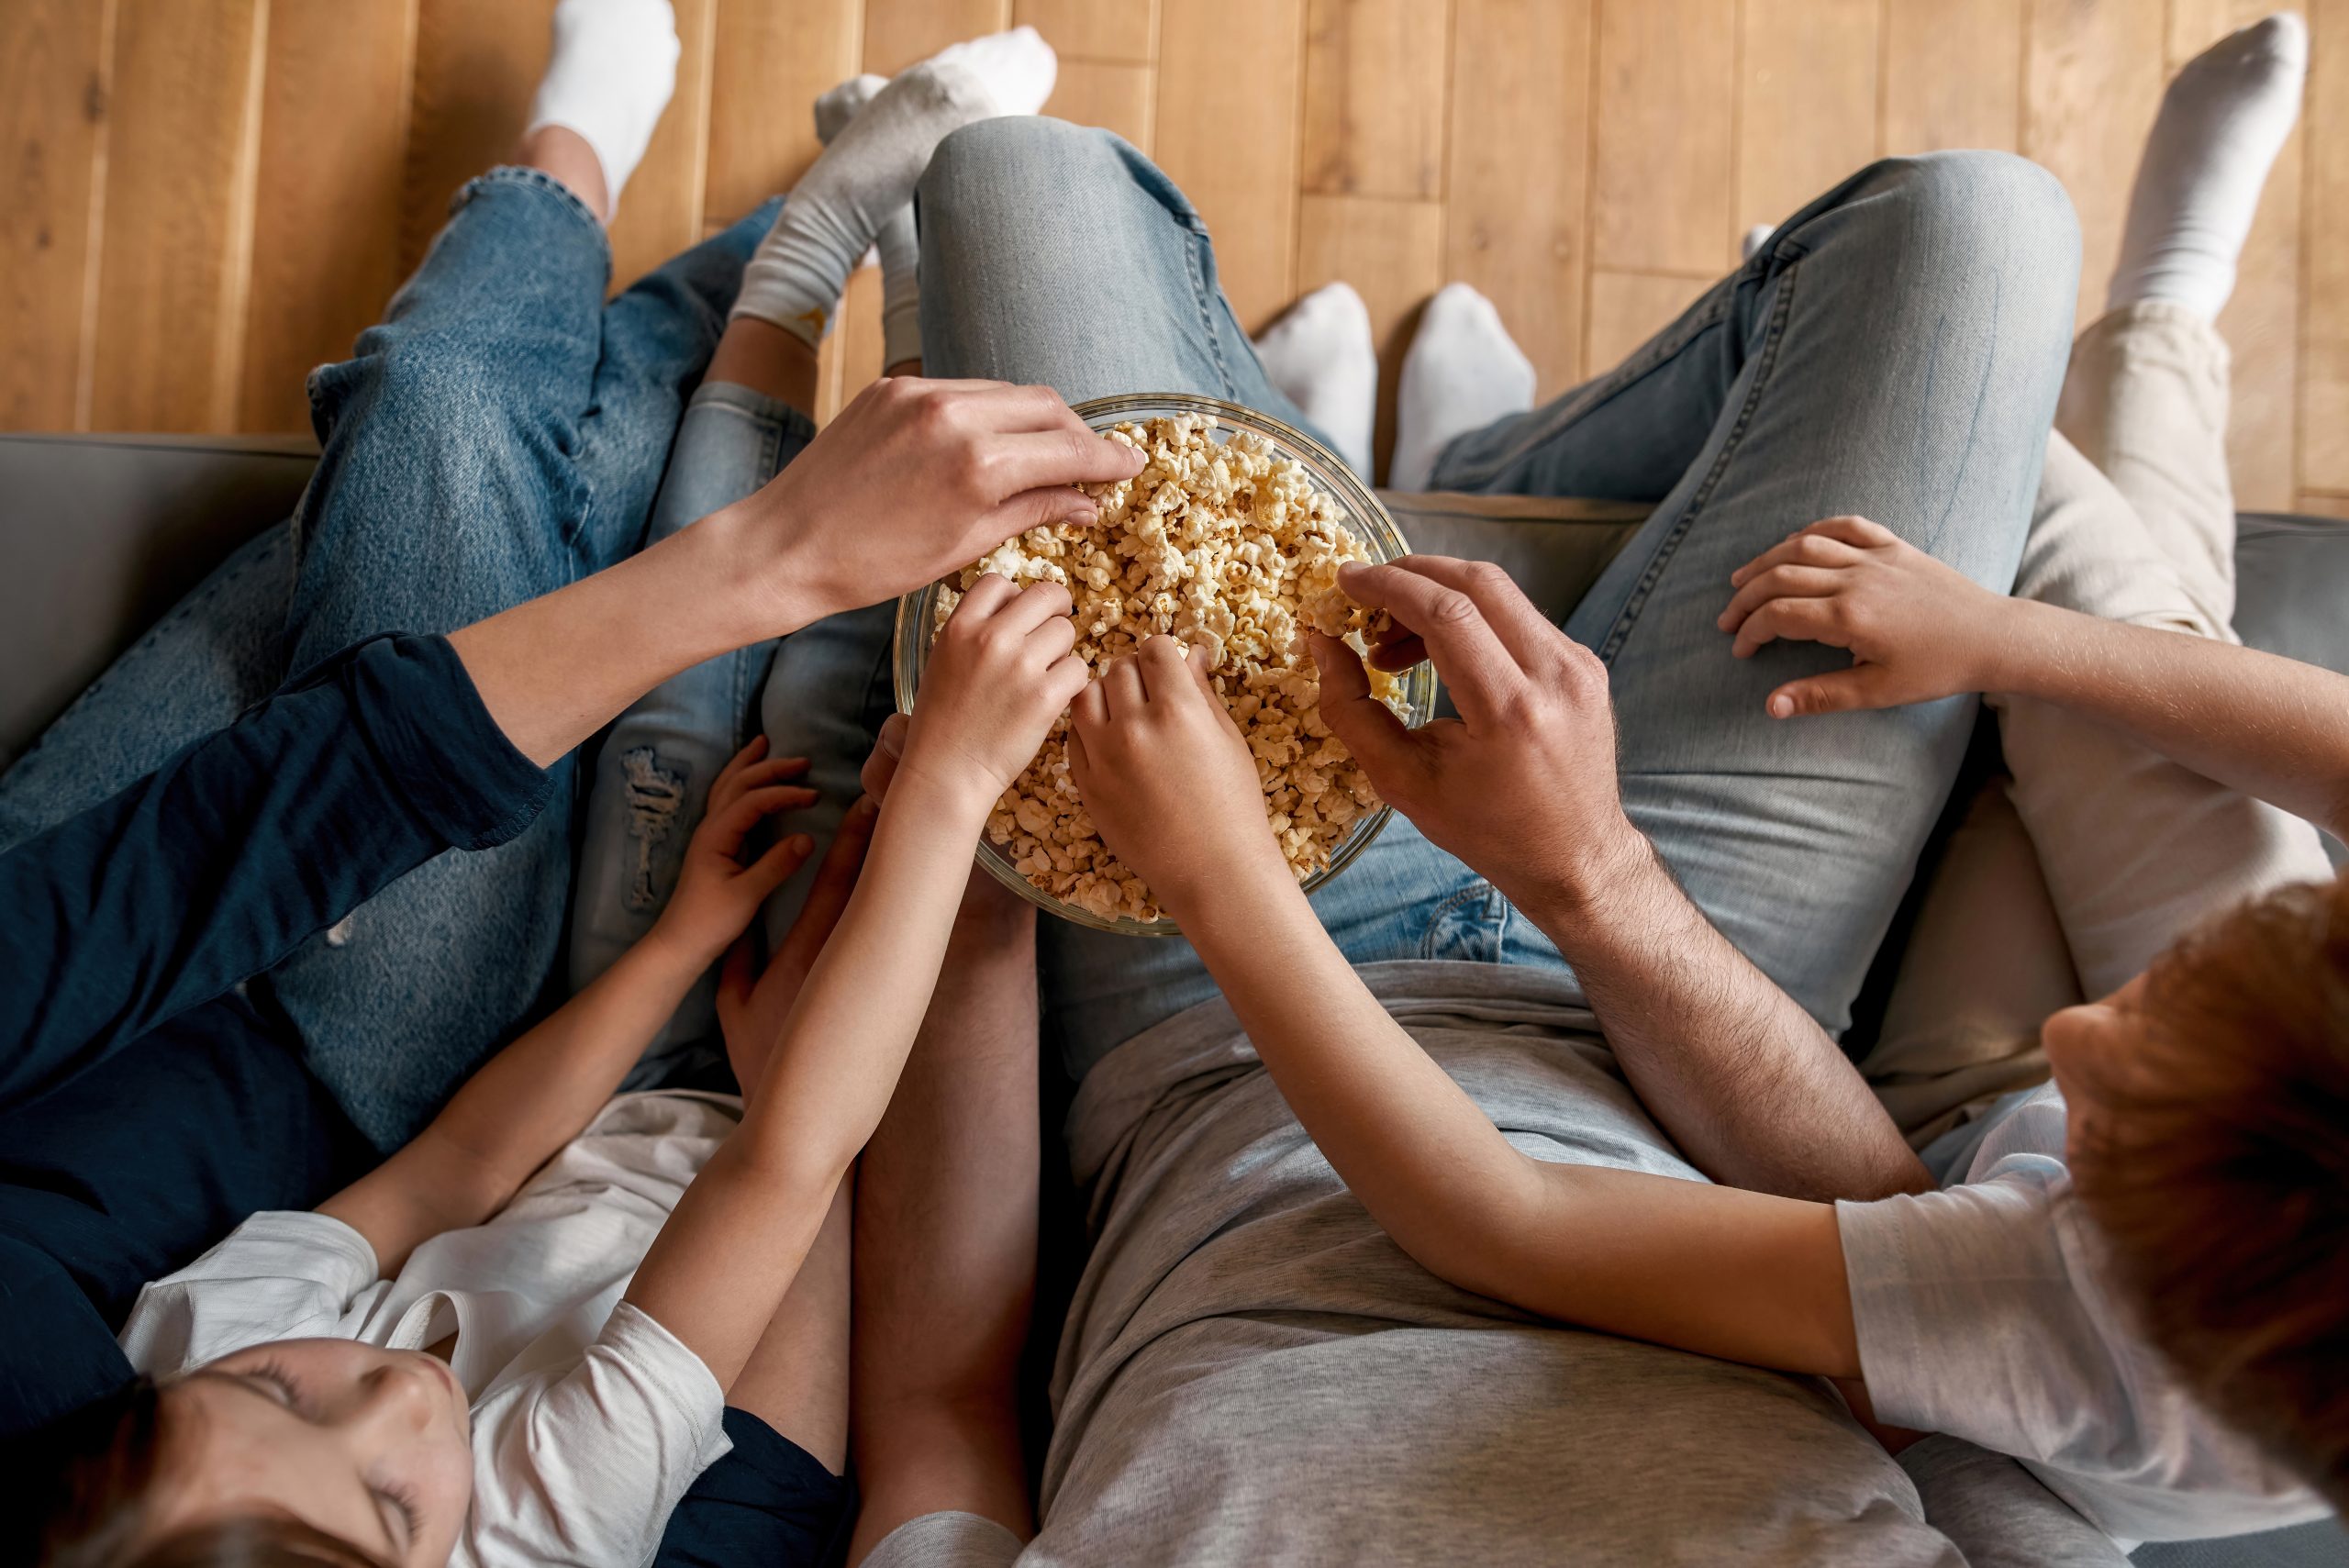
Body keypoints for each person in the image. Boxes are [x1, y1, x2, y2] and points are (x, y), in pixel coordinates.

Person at [753, 97, 2131, 1568]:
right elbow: (1929, 1294)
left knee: (1019, 175)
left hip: (1204, 983)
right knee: (1976, 227)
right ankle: (1478, 462)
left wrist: (985, 849)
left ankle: (1400, 469)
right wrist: (1598, 878)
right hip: (1696, 989)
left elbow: (943, 1405)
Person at [1141, 11, 2342, 1548]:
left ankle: (1477, 466)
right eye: (2176, 1002)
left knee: (2018, 518)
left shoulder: (2092, 1337)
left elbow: (1512, 1221)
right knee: (2109, 619)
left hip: (1986, 1195)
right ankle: (2160, 309)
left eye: (2115, 1115)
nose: (2076, 1034)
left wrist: (1222, 878)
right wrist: (2000, 638)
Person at [0, 1, 1130, 1529]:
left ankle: (769, 238)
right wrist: (934, 794)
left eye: (279, 1395)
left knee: (471, 459)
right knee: (845, 695)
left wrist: (672, 946)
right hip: (760, 1091)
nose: (386, 1396)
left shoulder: (196, 1339)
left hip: (582, 1038)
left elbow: (455, 1158)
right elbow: (791, 1160)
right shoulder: (553, 1508)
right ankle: (857, 247)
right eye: (392, 1503)